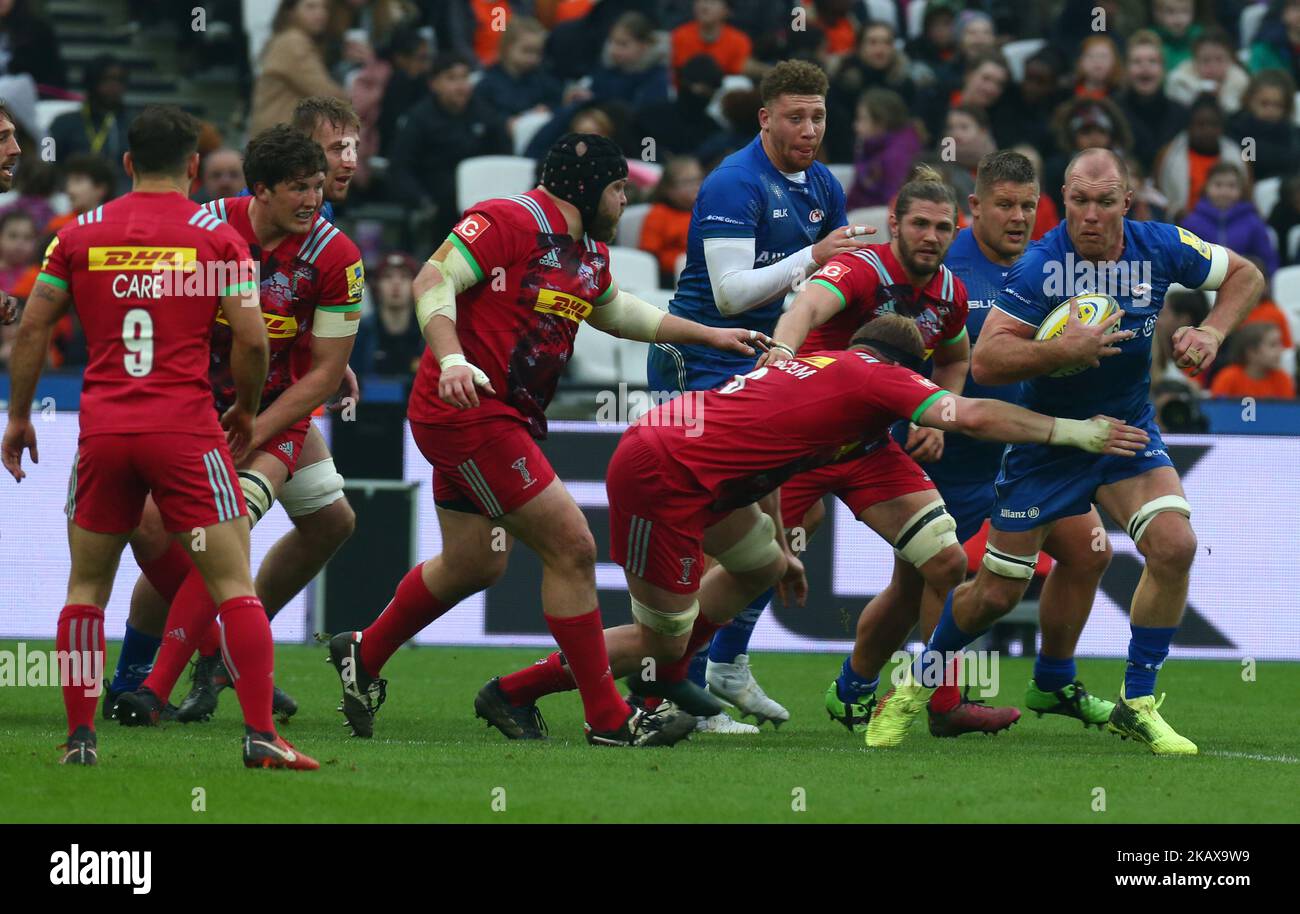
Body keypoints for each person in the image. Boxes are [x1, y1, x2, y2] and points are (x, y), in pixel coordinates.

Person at [488, 312, 1146, 740]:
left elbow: (769, 455)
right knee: (661, 637)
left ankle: (670, 677)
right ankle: (516, 691)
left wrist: (779, 542)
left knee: (762, 566)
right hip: (661, 472)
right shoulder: (874, 378)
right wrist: (1074, 431)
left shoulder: (817, 369)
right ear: (901, 369)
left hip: (691, 457)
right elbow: (968, 416)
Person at [327, 133, 772, 747]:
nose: (624, 203)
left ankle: (363, 651)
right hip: (468, 410)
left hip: (502, 418)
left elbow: (615, 312)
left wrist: (708, 337)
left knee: (474, 562)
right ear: (590, 189)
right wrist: (453, 359)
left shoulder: (587, 251)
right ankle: (608, 718)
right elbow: (434, 280)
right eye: (619, 189)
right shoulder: (508, 220)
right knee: (572, 547)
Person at [865, 147, 1265, 754]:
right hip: (1048, 442)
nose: (1091, 216)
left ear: (1126, 202)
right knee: (994, 595)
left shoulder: (1161, 245)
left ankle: (1139, 701)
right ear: (1066, 202)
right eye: (1078, 201)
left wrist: (1211, 330)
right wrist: (1060, 351)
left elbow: (1247, 274)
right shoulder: (1040, 266)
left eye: (1105, 202)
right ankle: (917, 684)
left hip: (1125, 432)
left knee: (1174, 545)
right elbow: (991, 359)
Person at [2, 104, 317, 769]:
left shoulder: (77, 235)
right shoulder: (216, 238)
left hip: (106, 432)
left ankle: (81, 738)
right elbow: (254, 340)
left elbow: (32, 329)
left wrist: (20, 414)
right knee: (234, 585)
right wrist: (249, 410)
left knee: (86, 588)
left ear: (125, 162)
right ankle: (261, 737)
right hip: (184, 429)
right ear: (194, 167)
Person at [106, 98, 365, 722]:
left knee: (294, 523)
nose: (345, 165)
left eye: (351, 150)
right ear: (271, 177)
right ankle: (213, 649)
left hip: (275, 407)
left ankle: (194, 662)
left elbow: (322, 367)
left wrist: (258, 421)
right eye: (335, 150)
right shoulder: (209, 229)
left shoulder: (334, 250)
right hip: (196, 403)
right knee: (166, 531)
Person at [643, 60, 873, 733]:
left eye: (819, 116)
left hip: (771, 363)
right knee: (724, 529)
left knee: (797, 517)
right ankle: (677, 686)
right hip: (703, 361)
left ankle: (724, 663)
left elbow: (834, 277)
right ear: (764, 117)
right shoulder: (733, 183)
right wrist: (812, 257)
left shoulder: (823, 184)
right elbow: (727, 294)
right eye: (796, 116)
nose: (809, 129)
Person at [755, 165, 1010, 738]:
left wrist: (940, 416)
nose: (932, 236)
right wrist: (780, 354)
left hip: (869, 446)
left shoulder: (949, 293)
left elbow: (954, 359)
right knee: (746, 569)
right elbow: (806, 309)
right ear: (893, 224)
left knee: (944, 562)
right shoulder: (861, 266)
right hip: (802, 442)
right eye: (919, 223)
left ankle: (933, 701)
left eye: (944, 227)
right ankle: (676, 682)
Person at [917, 150, 1120, 733]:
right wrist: (922, 411)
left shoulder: (1050, 262)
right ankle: (932, 700)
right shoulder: (944, 259)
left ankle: (1054, 679)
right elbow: (903, 341)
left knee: (1089, 552)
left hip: (1026, 449)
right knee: (937, 574)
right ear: (974, 208)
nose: (1018, 217)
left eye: (1028, 206)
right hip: (950, 448)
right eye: (1005, 205)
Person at [389, 50, 511, 243]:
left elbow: (504, 160)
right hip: (435, 206)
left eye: (464, 77)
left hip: (482, 206)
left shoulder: (486, 115)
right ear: (434, 84)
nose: (461, 85)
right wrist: (422, 200)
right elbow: (400, 168)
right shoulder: (418, 119)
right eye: (451, 78)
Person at [249, 0, 347, 135]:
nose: (321, 14)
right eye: (310, 7)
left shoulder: (288, 39)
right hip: (280, 141)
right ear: (291, 12)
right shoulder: (293, 42)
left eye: (325, 8)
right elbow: (326, 93)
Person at [46, 55, 131, 195]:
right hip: (70, 194)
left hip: (121, 196)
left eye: (120, 80)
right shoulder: (62, 122)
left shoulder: (134, 125)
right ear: (92, 81)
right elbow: (45, 157)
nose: (114, 86)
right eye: (107, 79)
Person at [1180, 162, 1279, 278]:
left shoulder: (1253, 222)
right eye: (1218, 185)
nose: (1224, 192)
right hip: (1200, 287)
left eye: (1231, 186)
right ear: (1206, 187)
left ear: (1241, 189)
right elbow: (1183, 260)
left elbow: (1268, 260)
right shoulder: (1191, 222)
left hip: (1244, 284)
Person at [1114, 30, 1189, 177]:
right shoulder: (1113, 111)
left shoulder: (1181, 113)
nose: (1145, 67)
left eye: (1152, 61)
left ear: (1163, 69)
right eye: (1137, 62)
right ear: (1126, 70)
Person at [846, 88, 924, 210]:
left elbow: (891, 204)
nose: (856, 126)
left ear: (881, 122)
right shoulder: (872, 148)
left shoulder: (894, 158)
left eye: (862, 119)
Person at [355, 251, 425, 376]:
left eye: (404, 277)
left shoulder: (428, 332)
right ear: (376, 285)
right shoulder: (360, 332)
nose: (396, 283)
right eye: (387, 277)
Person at [639, 156, 701, 285]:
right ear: (669, 189)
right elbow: (649, 257)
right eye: (687, 182)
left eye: (698, 180)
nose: (695, 186)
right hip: (669, 279)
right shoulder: (659, 214)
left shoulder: (706, 210)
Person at [1209, 323, 1295, 399]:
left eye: (1280, 343)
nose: (1280, 350)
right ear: (1252, 352)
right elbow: (1217, 411)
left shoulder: (1282, 379)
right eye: (1273, 345)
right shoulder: (1228, 378)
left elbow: (1287, 414)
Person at [671, 0, 755, 79]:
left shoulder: (739, 41)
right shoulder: (679, 36)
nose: (704, 6)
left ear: (727, 10)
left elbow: (737, 74)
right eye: (700, 1)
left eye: (712, 2)